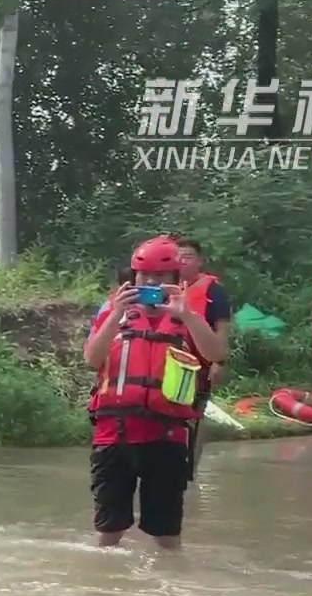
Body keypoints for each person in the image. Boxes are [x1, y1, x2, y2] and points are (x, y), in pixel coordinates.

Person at [83, 236, 229, 550]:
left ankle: (169, 590)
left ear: (177, 279)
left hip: (167, 437)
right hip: (114, 435)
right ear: (133, 278)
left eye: (162, 277)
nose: (153, 283)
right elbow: (92, 359)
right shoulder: (113, 310)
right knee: (109, 532)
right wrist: (114, 316)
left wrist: (188, 315)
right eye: (145, 276)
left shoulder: (188, 314)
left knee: (167, 537)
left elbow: (216, 353)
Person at [173, 238, 233, 392]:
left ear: (200, 261)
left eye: (188, 257)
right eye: (178, 257)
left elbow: (222, 328)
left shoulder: (214, 290)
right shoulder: (166, 288)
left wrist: (219, 363)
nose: (182, 261)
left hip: (200, 362)